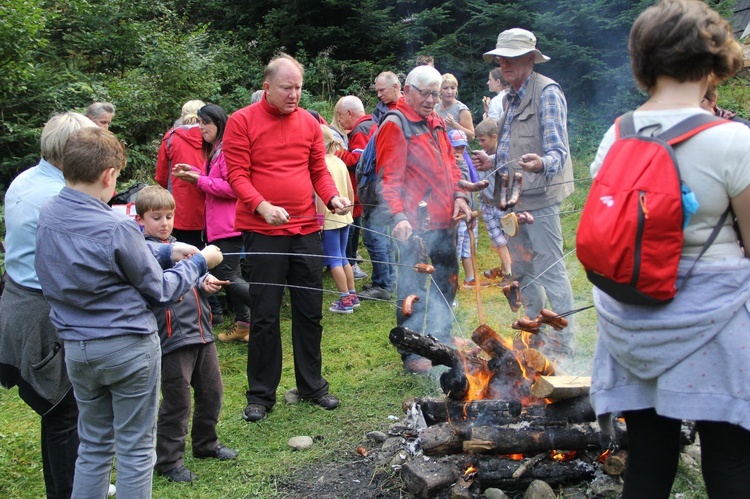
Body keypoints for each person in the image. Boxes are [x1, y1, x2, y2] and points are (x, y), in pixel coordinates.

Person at [588, 1, 750, 496]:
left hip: (631, 326)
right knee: (731, 464)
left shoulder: (615, 136)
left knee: (649, 461)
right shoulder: (733, 142)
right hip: (714, 328)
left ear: (643, 61)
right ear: (715, 58)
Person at [34, 126, 223, 498]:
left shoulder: (50, 213)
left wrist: (168, 252)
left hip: (78, 349)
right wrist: (200, 261)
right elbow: (161, 291)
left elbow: (109, 254)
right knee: (136, 449)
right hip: (126, 349)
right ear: (108, 176)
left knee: (92, 446)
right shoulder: (116, 225)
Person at [223, 53, 351, 422]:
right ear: (267, 87)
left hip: (306, 229)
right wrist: (261, 206)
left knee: (309, 311)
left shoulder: (310, 123)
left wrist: (332, 197)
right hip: (264, 231)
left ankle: (312, 386)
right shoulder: (241, 121)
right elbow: (236, 175)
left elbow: (318, 171)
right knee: (265, 313)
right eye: (287, 87)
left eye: (298, 87)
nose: (295, 94)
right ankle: (261, 395)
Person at [0, 112, 97, 499]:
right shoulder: (57, 196)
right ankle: (69, 491)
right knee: (63, 412)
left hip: (20, 301)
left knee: (59, 411)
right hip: (43, 312)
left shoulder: (26, 178)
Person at [473, 27, 576, 359]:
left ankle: (562, 339)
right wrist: (492, 160)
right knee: (523, 269)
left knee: (550, 267)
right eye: (501, 58)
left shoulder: (547, 93)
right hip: (511, 200)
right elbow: (512, 146)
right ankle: (535, 330)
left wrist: (541, 162)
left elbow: (558, 151)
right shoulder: (511, 96)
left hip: (540, 198)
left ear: (530, 59)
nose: (504, 64)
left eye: (512, 58)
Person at [134, 186, 238, 484]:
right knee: (177, 403)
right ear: (141, 220)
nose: (164, 223)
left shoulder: (182, 246)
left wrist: (206, 283)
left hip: (202, 334)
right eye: (156, 218)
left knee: (212, 392)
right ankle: (169, 461)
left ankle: (206, 444)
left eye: (169, 216)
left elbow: (197, 273)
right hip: (171, 341)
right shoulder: (142, 254)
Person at [376, 65, 473, 373]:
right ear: (408, 91)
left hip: (446, 219)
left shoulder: (437, 122)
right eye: (427, 94)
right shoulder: (396, 123)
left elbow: (452, 166)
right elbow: (389, 177)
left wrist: (460, 195)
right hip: (414, 225)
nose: (433, 100)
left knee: (448, 282)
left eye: (436, 93)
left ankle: (441, 340)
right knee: (412, 288)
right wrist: (400, 216)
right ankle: (411, 352)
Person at [172, 104, 253, 343]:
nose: (201, 128)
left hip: (229, 224)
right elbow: (215, 179)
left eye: (205, 123)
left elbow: (234, 187)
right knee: (227, 273)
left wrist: (199, 180)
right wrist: (194, 172)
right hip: (218, 224)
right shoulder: (216, 151)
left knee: (227, 274)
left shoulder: (227, 151)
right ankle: (244, 325)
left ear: (219, 124)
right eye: (199, 122)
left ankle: (262, 313)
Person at [155, 99, 224, 324]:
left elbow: (160, 177)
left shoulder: (172, 138)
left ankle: (195, 308)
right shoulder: (214, 141)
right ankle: (216, 308)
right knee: (209, 256)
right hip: (209, 212)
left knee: (184, 258)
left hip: (180, 210)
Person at [331, 95, 376, 282]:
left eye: (340, 116)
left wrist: (338, 153)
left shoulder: (360, 130)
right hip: (368, 188)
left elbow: (358, 161)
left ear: (350, 113)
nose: (339, 121)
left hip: (362, 189)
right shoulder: (372, 124)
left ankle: (349, 262)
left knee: (354, 226)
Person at [317, 125, 358, 314]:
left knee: (334, 259)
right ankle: (353, 295)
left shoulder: (320, 165)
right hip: (346, 216)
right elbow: (350, 190)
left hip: (330, 218)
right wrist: (349, 210)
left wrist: (318, 221)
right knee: (343, 257)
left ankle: (345, 301)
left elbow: (319, 196)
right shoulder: (339, 161)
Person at [474, 118, 513, 286]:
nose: (480, 143)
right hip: (486, 203)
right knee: (497, 241)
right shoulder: (479, 156)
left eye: (483, 140)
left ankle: (509, 272)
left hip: (501, 204)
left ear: (494, 137)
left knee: (506, 239)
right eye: (478, 140)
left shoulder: (502, 157)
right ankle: (507, 270)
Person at [447, 129, 483, 288]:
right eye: (456, 147)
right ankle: (451, 284)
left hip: (470, 210)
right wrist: (459, 164)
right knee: (455, 250)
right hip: (457, 215)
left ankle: (470, 278)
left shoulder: (465, 159)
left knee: (469, 247)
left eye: (462, 147)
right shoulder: (448, 161)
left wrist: (462, 163)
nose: (459, 151)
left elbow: (472, 183)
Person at [435, 73, 475, 141]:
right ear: (439, 89)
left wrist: (454, 125)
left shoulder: (462, 110)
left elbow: (471, 136)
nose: (449, 92)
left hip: (456, 150)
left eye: (453, 88)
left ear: (456, 89)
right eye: (445, 88)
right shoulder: (435, 108)